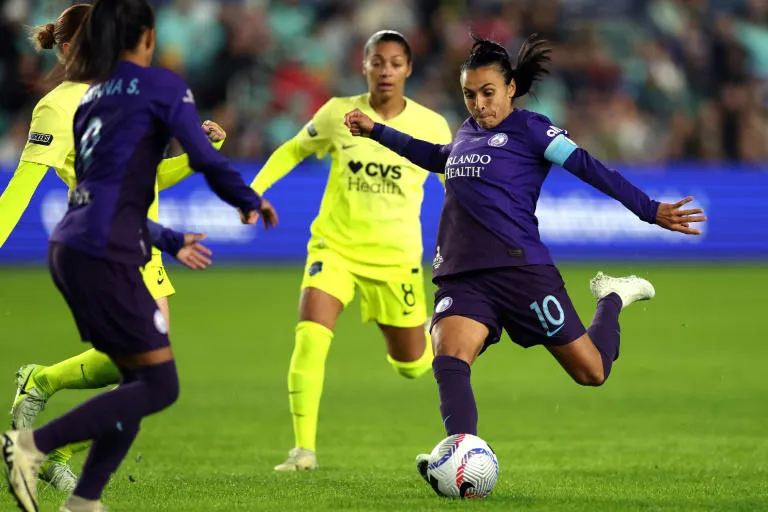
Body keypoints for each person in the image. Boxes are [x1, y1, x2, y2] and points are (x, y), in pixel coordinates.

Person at [344, 33, 707, 492]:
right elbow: (436, 157)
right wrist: (377, 131)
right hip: (463, 273)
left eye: (487, 92)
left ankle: (612, 296)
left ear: (511, 87)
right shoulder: (466, 134)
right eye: (469, 95)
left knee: (591, 372)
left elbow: (590, 167)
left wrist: (648, 208)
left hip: (522, 272)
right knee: (449, 355)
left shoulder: (533, 129)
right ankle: (461, 452)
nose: (478, 103)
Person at [0, 1, 276, 510]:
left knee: (138, 373)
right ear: (66, 49)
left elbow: (147, 180)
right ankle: (47, 445)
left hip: (138, 238)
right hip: (108, 241)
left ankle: (63, 452)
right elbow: (20, 189)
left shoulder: (111, 96)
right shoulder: (59, 106)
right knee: (150, 376)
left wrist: (191, 159)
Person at [251, 30, 452, 471]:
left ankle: (437, 338)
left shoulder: (432, 127)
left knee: (412, 365)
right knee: (310, 338)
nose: (385, 71)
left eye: (395, 63)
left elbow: (456, 186)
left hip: (395, 260)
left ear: (408, 69)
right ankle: (303, 451)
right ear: (363, 65)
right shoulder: (338, 113)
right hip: (335, 248)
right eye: (377, 62)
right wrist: (254, 191)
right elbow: (292, 150)